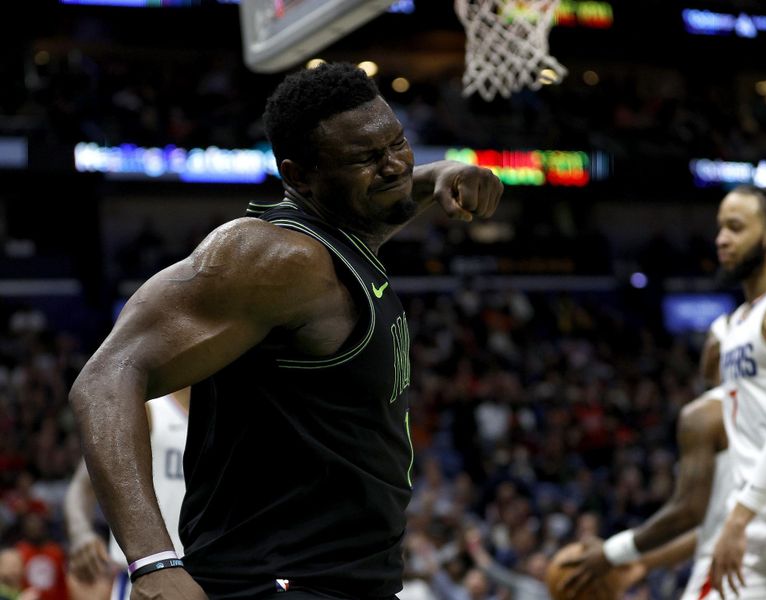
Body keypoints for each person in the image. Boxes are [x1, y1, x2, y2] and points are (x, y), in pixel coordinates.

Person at [68, 62, 503, 600]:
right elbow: (105, 379)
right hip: (275, 584)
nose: (393, 165)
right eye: (366, 158)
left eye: (397, 143)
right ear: (299, 176)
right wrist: (153, 563)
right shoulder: (274, 258)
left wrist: (438, 176)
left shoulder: (341, 242)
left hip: (346, 581)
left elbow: (379, 202)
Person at [561, 313, 731, 600]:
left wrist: (611, 553)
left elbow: (690, 511)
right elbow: (712, 526)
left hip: (741, 566)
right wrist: (642, 562)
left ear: (715, 352)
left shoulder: (707, 413)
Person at [710, 184, 766, 599]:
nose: (721, 239)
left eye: (736, 227)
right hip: (752, 518)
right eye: (720, 228)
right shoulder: (739, 320)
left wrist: (738, 518)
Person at [65, 389, 190, 600]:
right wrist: (80, 534)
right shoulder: (150, 409)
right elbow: (82, 485)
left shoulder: (231, 415)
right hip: (150, 576)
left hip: (213, 575)